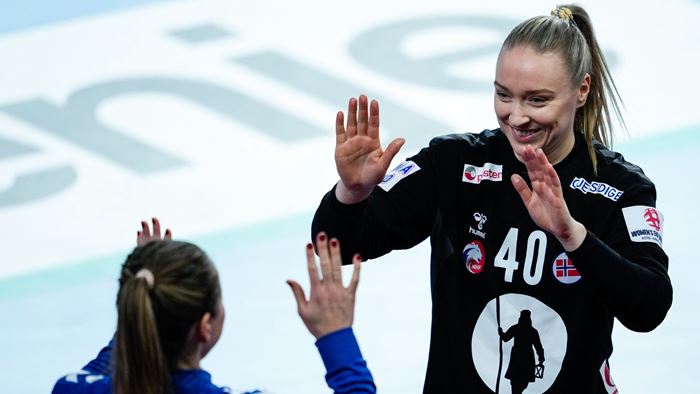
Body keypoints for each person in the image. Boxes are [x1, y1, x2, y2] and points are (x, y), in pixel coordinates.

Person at [311, 4, 672, 393]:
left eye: (537, 100)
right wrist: (353, 193)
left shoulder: (620, 188)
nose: (516, 117)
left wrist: (573, 236)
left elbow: (649, 307)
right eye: (504, 95)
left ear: (581, 90)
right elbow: (338, 247)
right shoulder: (453, 165)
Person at [53, 219, 375, 394]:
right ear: (206, 326)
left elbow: (115, 359)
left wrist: (146, 294)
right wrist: (336, 335)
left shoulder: (70, 389)